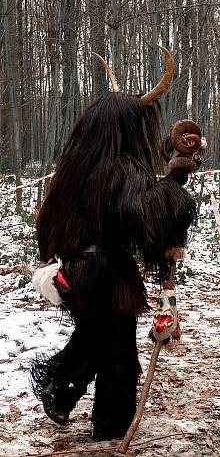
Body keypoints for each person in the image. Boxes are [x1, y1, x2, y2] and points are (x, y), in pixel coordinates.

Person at [30, 47, 199, 441]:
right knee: (117, 349)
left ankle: (62, 390)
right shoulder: (119, 168)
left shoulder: (76, 166)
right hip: (104, 273)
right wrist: (173, 183)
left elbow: (50, 224)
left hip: (74, 271)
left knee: (97, 337)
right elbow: (145, 214)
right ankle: (105, 421)